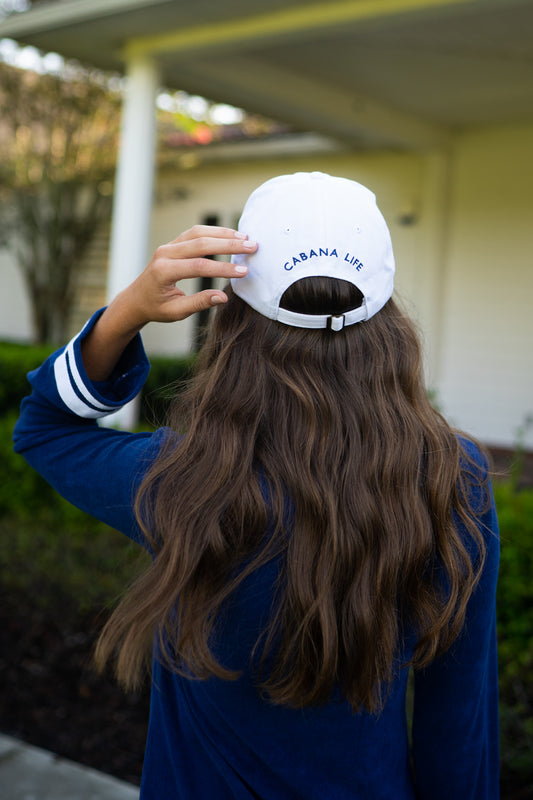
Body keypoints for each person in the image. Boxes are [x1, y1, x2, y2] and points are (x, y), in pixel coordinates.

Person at [13, 172, 500, 799]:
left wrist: (128, 311)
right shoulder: (454, 479)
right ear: (388, 316)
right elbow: (458, 727)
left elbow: (44, 428)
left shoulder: (185, 478)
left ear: (235, 317)